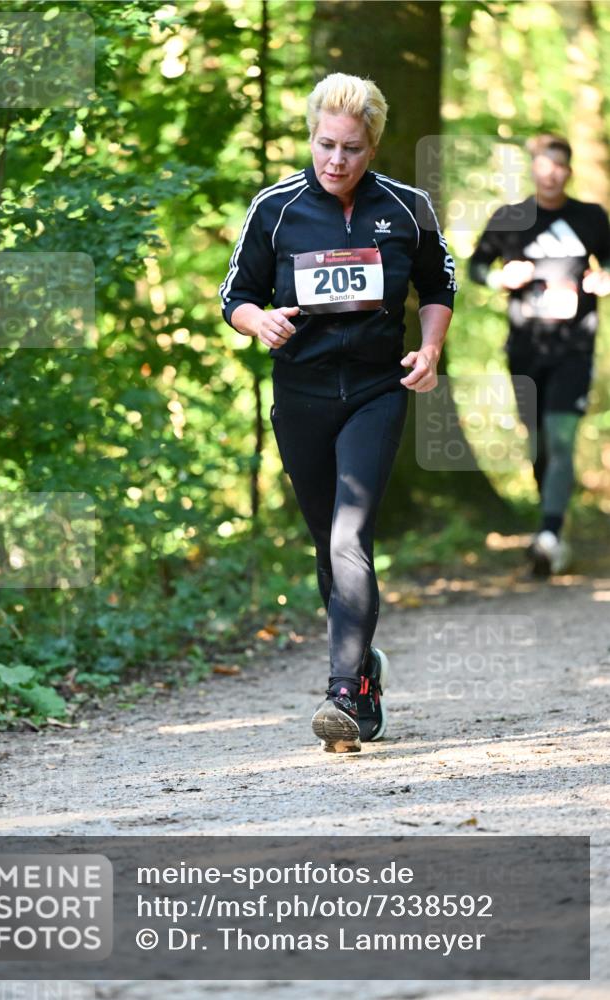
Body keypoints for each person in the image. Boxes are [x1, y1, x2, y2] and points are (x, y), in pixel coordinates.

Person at [219, 73, 456, 753]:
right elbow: (234, 293)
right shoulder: (277, 207)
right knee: (327, 543)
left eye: (350, 149)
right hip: (301, 396)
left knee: (350, 537)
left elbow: (438, 282)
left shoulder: (408, 208)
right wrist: (256, 321)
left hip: (377, 391)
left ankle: (341, 694)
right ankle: (364, 672)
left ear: (371, 147)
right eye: (325, 144)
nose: (335, 161)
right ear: (311, 137)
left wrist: (430, 349)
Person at [469, 134, 610, 575]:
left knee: (560, 436)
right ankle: (554, 529)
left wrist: (604, 278)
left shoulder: (589, 217)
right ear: (533, 170)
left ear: (569, 170)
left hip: (575, 344)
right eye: (543, 166)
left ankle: (548, 535)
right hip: (526, 348)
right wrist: (500, 279)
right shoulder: (510, 218)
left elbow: (609, 263)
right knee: (538, 445)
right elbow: (474, 265)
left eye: (559, 166)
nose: (551, 174)